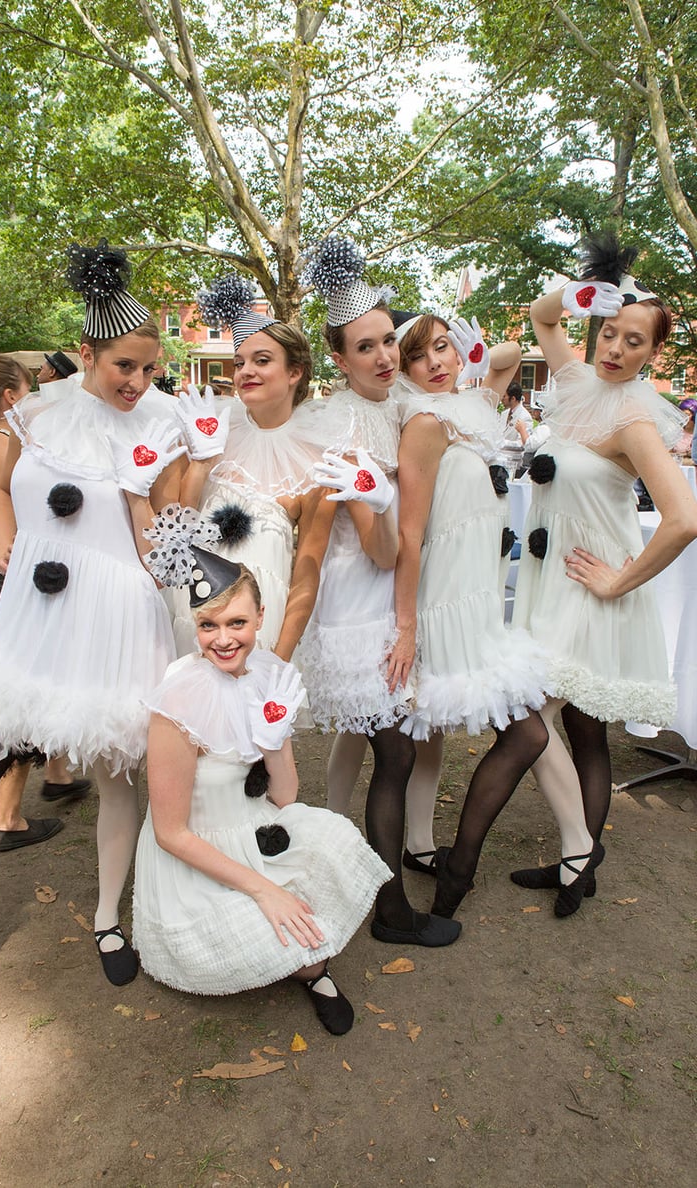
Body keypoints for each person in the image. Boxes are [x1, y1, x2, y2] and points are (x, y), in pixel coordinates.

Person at [0, 240, 186, 1047]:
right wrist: (8, 542)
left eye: (148, 367)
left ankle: (109, 919)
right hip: (32, 628)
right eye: (125, 366)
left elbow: (168, 539)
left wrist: (149, 500)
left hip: (113, 622)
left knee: (113, 781)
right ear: (85, 354)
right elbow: (4, 487)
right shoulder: (33, 412)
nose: (137, 382)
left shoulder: (166, 421)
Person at [133, 533, 390, 1034]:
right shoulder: (179, 699)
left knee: (314, 929)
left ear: (260, 617)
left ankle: (313, 972)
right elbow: (171, 832)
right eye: (208, 626)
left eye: (237, 623)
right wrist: (263, 892)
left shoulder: (269, 674)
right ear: (195, 625)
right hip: (197, 850)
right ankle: (300, 959)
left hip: (256, 825)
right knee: (289, 935)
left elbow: (285, 798)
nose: (223, 639)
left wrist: (274, 742)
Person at [511, 235, 697, 911]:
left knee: (527, 715)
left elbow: (682, 518)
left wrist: (619, 582)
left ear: (653, 353)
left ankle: (579, 850)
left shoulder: (638, 416)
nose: (616, 349)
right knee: (581, 728)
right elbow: (540, 315)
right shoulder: (575, 384)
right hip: (552, 579)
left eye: (634, 341)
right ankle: (576, 859)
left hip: (593, 587)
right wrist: (586, 289)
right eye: (609, 333)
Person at [293, 236, 461, 949]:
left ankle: (329, 861)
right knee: (392, 754)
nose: (386, 356)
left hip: (374, 605)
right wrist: (390, 512)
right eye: (366, 348)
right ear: (338, 359)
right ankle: (390, 911)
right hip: (359, 611)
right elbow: (383, 548)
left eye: (389, 339)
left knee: (364, 745)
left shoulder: (393, 408)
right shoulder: (343, 431)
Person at [384, 312, 549, 918]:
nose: (438, 362)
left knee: (475, 738)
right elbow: (410, 531)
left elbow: (506, 356)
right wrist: (407, 626)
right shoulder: (426, 423)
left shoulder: (466, 408)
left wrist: (468, 339)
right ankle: (455, 868)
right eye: (421, 355)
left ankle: (442, 858)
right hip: (443, 603)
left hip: (476, 600)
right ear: (402, 369)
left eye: (445, 348)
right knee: (526, 733)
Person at [0, 349, 90, 850]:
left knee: (35, 678)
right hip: (22, 567)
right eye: (30, 388)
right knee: (21, 691)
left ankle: (58, 773)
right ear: (11, 396)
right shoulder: (20, 445)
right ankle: (8, 816)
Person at [174, 272, 336, 656]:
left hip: (264, 630)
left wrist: (280, 658)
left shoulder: (319, 457)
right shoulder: (211, 430)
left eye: (261, 360)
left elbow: (307, 572)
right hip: (192, 616)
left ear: (294, 372)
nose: (245, 371)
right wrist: (199, 462)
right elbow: (176, 525)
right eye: (240, 362)